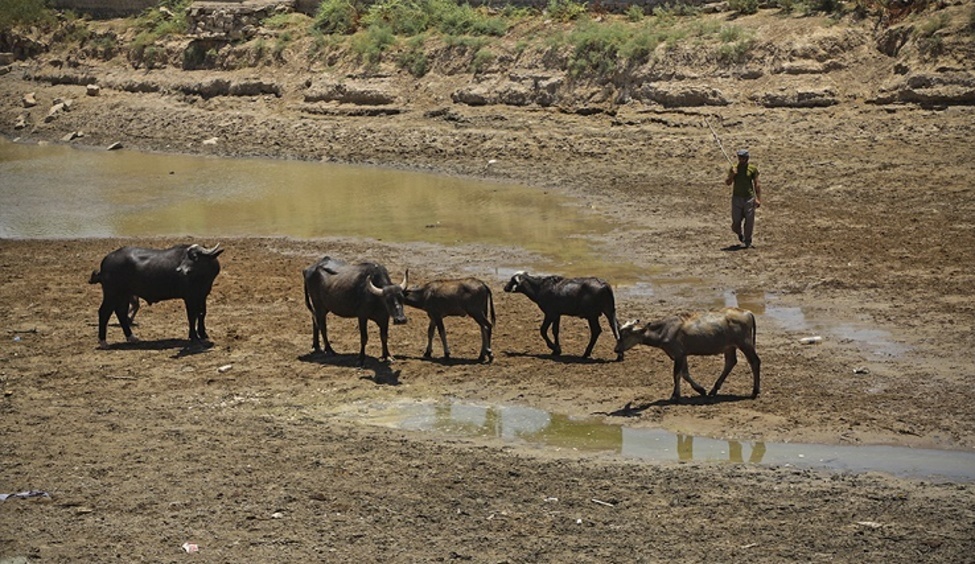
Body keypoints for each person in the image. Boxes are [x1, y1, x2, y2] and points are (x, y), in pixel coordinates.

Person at [724, 148, 761, 248]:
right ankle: (740, 235)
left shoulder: (752, 169)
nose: (741, 159)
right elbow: (728, 183)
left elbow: (757, 184)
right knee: (736, 222)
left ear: (747, 158)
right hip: (737, 198)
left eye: (743, 158)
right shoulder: (734, 168)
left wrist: (758, 198)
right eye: (740, 157)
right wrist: (732, 174)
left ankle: (747, 240)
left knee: (749, 221)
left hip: (749, 198)